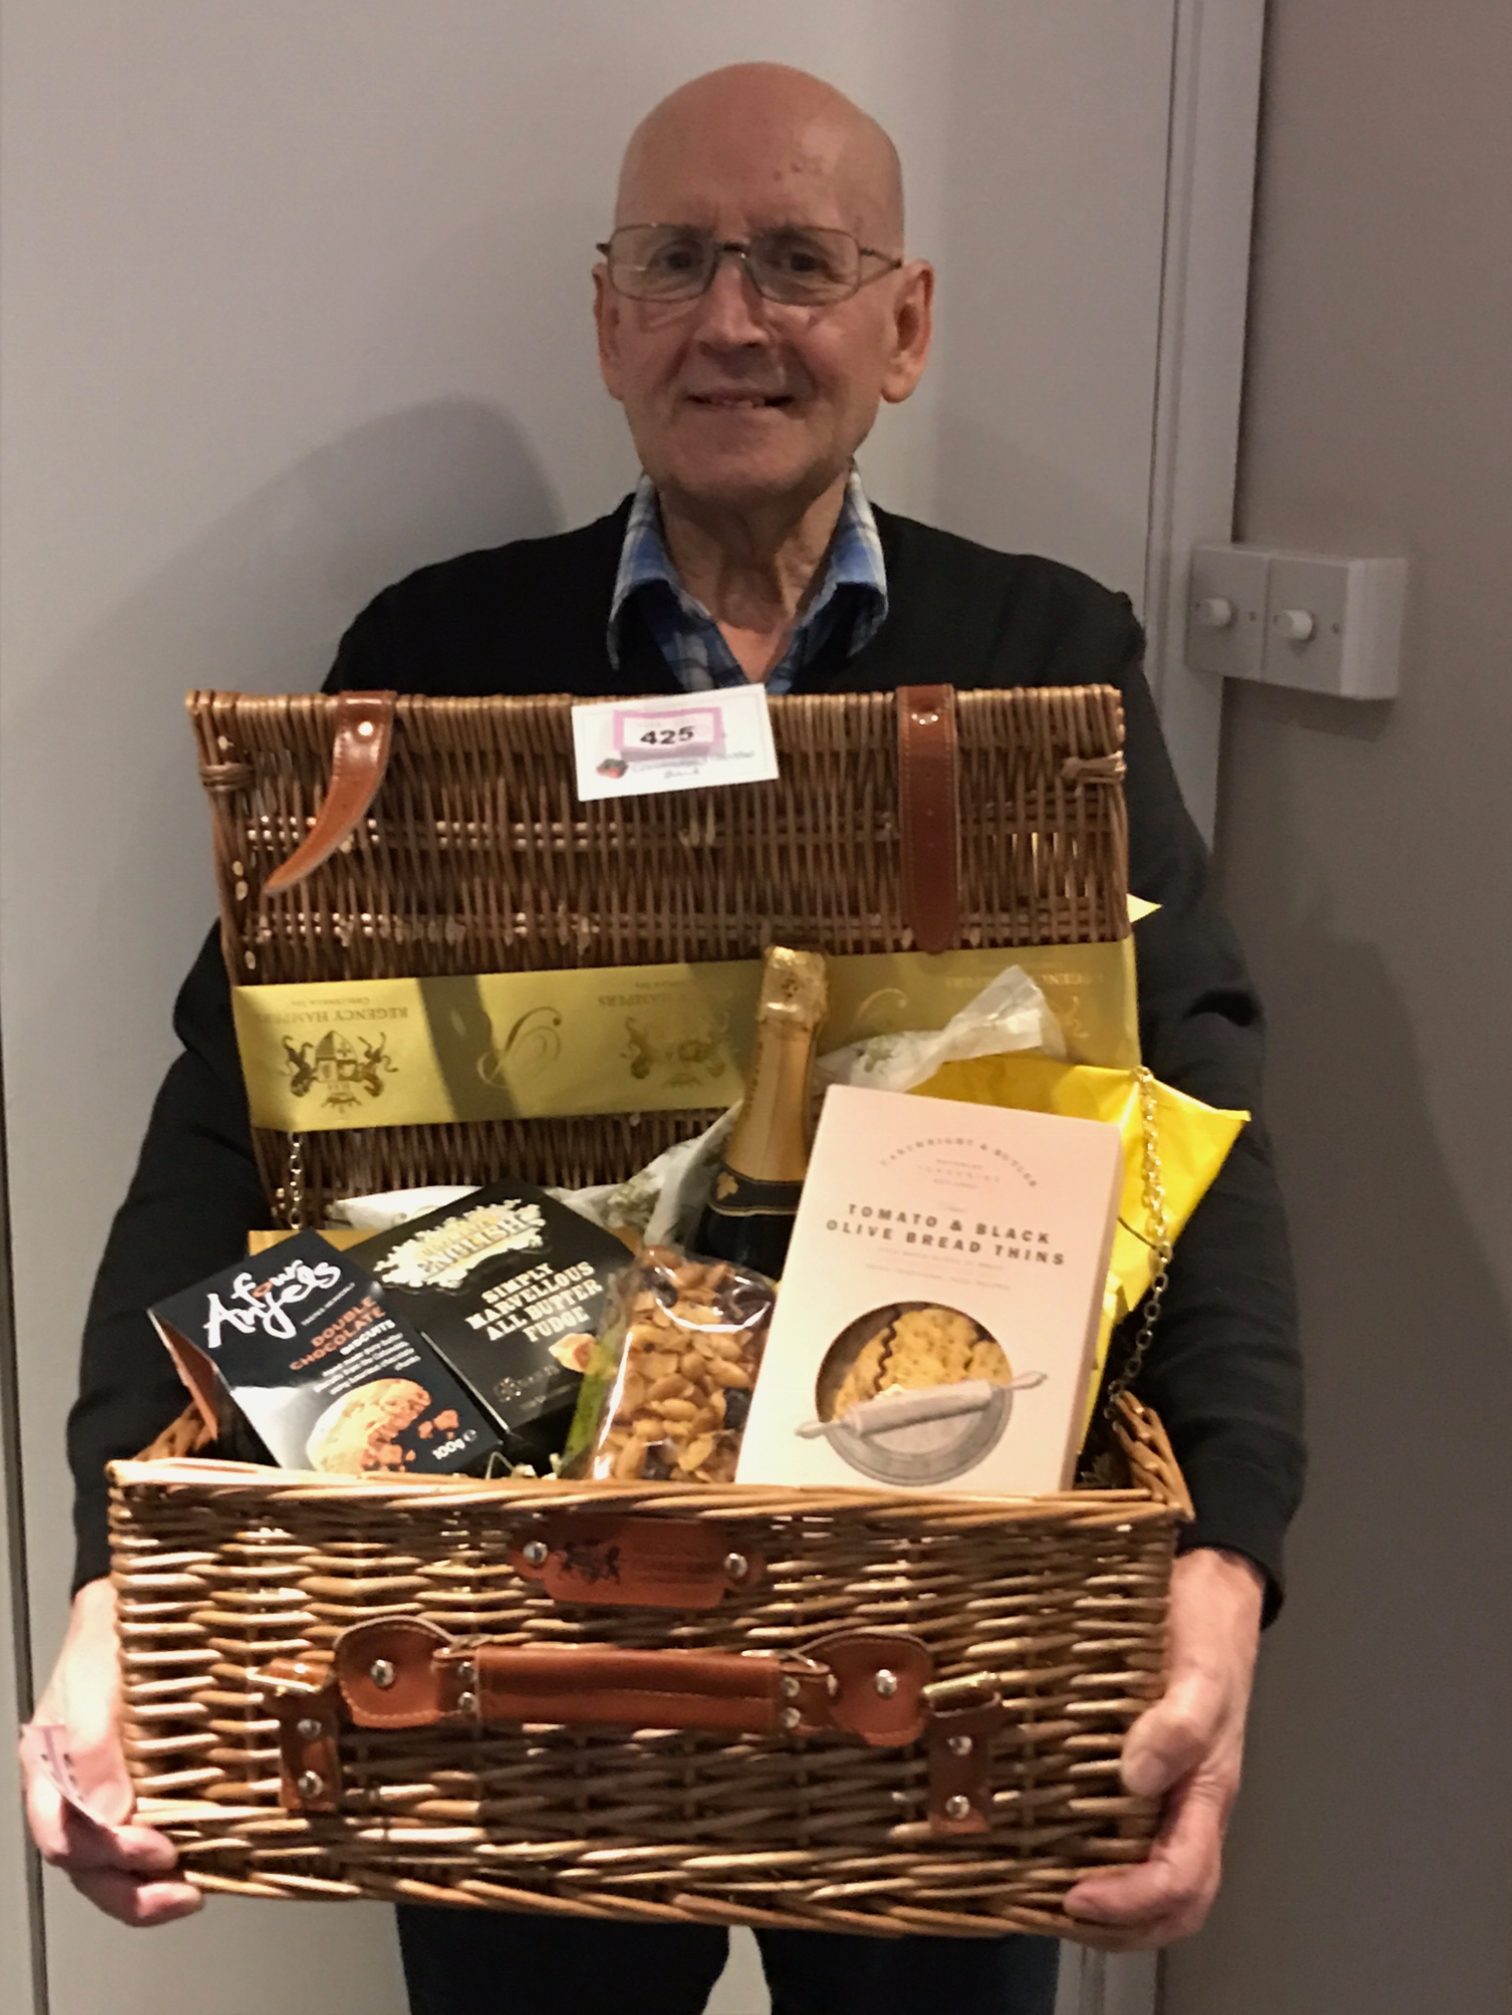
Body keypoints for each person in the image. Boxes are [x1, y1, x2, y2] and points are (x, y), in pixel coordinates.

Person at [20, 60, 1303, 2015]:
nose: (732, 318)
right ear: (607, 315)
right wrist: (128, 1568)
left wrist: (1220, 1572)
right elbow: (245, 1102)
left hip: (939, 1619)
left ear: (904, 321)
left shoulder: (1046, 655)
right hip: (512, 1626)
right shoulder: (436, 660)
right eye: (677, 260)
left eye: (798, 260)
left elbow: (1195, 1091)